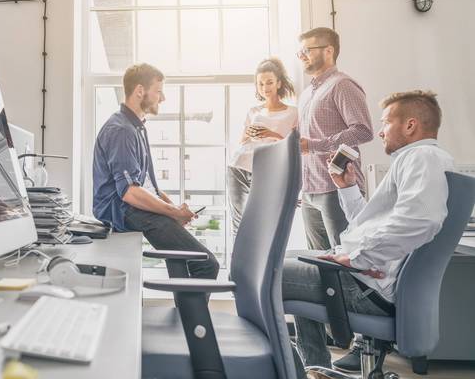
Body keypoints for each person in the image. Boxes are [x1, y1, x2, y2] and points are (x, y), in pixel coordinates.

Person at [283, 90, 454, 372]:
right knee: (291, 258)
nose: (380, 132)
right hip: (366, 277)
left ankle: (295, 370)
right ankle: (316, 369)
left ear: (410, 125)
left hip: (364, 284)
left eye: (386, 122)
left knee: (268, 275)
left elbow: (421, 219)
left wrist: (357, 259)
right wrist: (347, 187)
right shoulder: (419, 159)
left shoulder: (422, 157)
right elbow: (367, 225)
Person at [92, 63, 219, 280]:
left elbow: (147, 186)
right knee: (206, 264)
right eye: (159, 91)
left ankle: (185, 314)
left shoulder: (136, 128)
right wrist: (173, 213)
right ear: (140, 90)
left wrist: (174, 208)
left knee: (183, 260)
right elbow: (130, 192)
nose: (163, 98)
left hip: (132, 208)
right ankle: (192, 315)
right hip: (123, 210)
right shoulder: (122, 130)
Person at [296, 27, 374, 253]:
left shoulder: (343, 85)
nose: (301, 55)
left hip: (337, 189)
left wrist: (313, 145)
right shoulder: (306, 94)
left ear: (328, 50)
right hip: (309, 193)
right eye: (299, 52)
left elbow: (363, 131)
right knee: (318, 260)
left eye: (306, 50)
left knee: (346, 258)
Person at [228, 58, 297, 237]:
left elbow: (294, 145)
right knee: (239, 223)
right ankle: (239, 265)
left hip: (269, 169)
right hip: (239, 166)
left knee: (266, 222)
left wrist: (270, 133)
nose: (265, 87)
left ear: (279, 83)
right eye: (260, 84)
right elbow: (242, 141)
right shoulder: (253, 111)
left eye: (269, 82)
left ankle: (263, 264)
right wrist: (250, 134)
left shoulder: (293, 112)